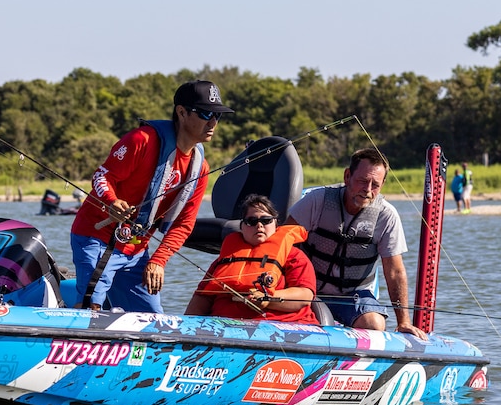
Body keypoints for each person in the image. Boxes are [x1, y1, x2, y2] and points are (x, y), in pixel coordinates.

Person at [70, 80, 232, 313]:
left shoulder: (200, 168)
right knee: (90, 308)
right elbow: (102, 177)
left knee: (153, 320)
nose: (213, 122)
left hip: (136, 250)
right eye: (207, 114)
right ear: (182, 112)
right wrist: (111, 202)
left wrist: (158, 260)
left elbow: (184, 225)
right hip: (98, 238)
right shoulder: (142, 140)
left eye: (218, 116)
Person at [286, 147, 427, 339]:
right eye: (362, 181)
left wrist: (404, 322)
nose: (367, 190)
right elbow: (283, 243)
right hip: (308, 290)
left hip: (352, 296)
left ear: (383, 184)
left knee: (375, 324)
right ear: (347, 176)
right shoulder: (317, 200)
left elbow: (394, 271)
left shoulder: (387, 216)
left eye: (375, 184)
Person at [185, 194, 318, 323]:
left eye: (266, 220)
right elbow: (202, 296)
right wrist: (185, 327)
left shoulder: (295, 256)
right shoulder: (225, 258)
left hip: (281, 325)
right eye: (252, 221)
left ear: (276, 224)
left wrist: (268, 300)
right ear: (242, 226)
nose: (259, 225)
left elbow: (304, 295)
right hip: (224, 324)